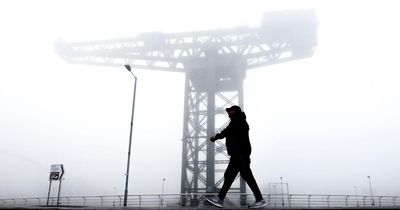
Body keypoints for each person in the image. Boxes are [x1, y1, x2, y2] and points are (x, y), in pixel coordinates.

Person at [205, 105, 267, 208]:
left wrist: (215, 137)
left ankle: (259, 199)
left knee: (239, 176)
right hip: (238, 154)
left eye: (231, 112)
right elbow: (227, 131)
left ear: (235, 112)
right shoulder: (236, 121)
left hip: (240, 155)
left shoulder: (239, 121)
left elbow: (227, 131)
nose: (229, 114)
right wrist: (216, 137)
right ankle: (220, 199)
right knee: (236, 176)